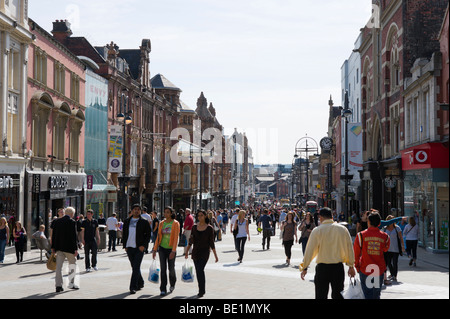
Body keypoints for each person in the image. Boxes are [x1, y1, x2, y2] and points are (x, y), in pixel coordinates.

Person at [300, 207, 356, 299]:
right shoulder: (342, 229)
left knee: (321, 295)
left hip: (322, 268)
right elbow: (349, 248)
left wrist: (304, 267)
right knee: (338, 295)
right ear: (332, 217)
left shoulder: (317, 230)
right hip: (337, 268)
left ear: (320, 217)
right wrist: (351, 266)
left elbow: (310, 250)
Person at [354, 210, 390, 299]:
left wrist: (357, 266)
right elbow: (385, 249)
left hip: (365, 268)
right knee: (376, 294)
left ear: (368, 222)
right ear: (379, 223)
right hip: (378, 269)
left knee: (367, 294)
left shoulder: (360, 235)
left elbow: (356, 253)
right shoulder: (385, 236)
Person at [185, 210, 219, 297]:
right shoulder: (194, 227)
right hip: (195, 252)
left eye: (201, 215)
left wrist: (215, 256)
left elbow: (211, 243)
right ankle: (201, 289)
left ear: (205, 216)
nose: (200, 217)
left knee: (200, 270)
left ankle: (201, 290)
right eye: (198, 216)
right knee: (198, 271)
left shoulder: (209, 228)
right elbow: (191, 240)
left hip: (204, 253)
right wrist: (187, 251)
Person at [122, 204, 152, 294]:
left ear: (140, 211)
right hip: (129, 247)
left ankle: (133, 287)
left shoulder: (144, 221)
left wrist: (144, 246)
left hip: (139, 248)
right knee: (135, 266)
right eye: (135, 209)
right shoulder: (127, 221)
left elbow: (148, 235)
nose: (136, 211)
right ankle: (141, 282)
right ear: (132, 210)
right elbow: (124, 234)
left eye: (138, 209)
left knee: (135, 267)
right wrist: (125, 246)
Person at [152, 206, 180, 296]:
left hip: (171, 249)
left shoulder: (175, 223)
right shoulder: (161, 223)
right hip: (162, 249)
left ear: (171, 213)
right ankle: (163, 288)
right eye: (165, 212)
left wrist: (173, 251)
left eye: (168, 212)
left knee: (171, 269)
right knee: (163, 269)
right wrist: (154, 249)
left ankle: (172, 283)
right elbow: (158, 237)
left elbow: (176, 238)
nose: (166, 214)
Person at [51, 207, 79, 292]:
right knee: (72, 265)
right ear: (71, 214)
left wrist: (53, 247)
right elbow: (73, 236)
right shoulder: (72, 222)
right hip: (69, 248)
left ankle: (58, 286)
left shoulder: (56, 221)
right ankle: (71, 283)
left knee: (58, 267)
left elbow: (54, 235)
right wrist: (75, 249)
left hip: (59, 248)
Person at [383, 215, 405, 284]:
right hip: (387, 249)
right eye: (390, 220)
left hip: (395, 248)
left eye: (392, 220)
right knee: (389, 263)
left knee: (395, 262)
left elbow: (401, 237)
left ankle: (394, 275)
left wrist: (403, 246)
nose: (391, 222)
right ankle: (392, 274)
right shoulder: (384, 228)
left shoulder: (397, 228)